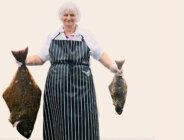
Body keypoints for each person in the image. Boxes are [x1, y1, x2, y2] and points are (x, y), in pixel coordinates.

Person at [17, 2, 122, 140]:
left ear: (77, 17)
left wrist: (113, 67)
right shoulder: (53, 36)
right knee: (57, 125)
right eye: (65, 15)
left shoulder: (86, 35)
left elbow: (101, 55)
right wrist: (24, 61)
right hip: (56, 91)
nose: (68, 18)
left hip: (82, 90)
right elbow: (41, 58)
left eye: (72, 15)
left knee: (84, 125)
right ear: (61, 17)